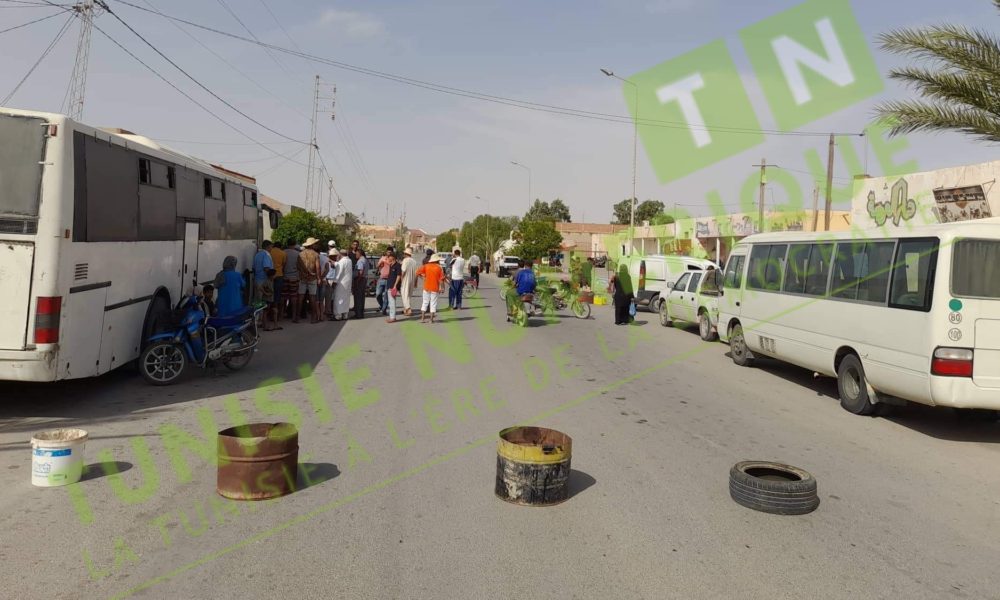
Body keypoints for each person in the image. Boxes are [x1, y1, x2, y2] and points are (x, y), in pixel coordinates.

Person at [296, 238, 322, 324]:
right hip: (312, 278)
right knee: (312, 298)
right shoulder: (315, 254)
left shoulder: (300, 254)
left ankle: (297, 317)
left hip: (303, 278)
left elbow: (298, 267)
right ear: (312, 245)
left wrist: (302, 274)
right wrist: (318, 278)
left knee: (300, 297)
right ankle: (313, 318)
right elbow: (317, 267)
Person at [415, 256, 445, 323]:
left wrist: (423, 278)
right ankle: (431, 320)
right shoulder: (439, 268)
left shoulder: (426, 266)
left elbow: (417, 272)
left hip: (426, 287)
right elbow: (442, 280)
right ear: (437, 261)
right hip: (435, 288)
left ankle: (422, 319)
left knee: (425, 302)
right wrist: (442, 288)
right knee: (433, 303)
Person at [333, 247, 353, 321]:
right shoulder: (349, 260)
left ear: (340, 254)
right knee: (346, 298)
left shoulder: (342, 262)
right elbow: (340, 265)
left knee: (338, 299)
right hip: (347, 283)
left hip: (341, 283)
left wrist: (334, 282)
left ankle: (338, 315)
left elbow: (339, 272)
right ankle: (345, 314)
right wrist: (334, 263)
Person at [269, 241, 286, 323]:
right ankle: (276, 316)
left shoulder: (270, 252)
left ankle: (269, 315)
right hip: (279, 275)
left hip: (270, 276)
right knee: (277, 295)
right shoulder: (283, 253)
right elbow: (284, 264)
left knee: (270, 294)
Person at [283, 239, 300, 320]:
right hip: (294, 278)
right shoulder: (297, 254)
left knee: (284, 297)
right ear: (294, 245)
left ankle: (281, 315)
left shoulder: (283, 252)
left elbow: (283, 264)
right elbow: (299, 265)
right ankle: (294, 316)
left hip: (285, 277)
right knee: (294, 297)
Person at [385, 252, 402, 323]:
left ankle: (392, 317)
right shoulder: (391, 265)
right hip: (389, 285)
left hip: (393, 286)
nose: (388, 258)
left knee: (392, 302)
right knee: (391, 302)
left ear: (393, 257)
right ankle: (392, 316)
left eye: (389, 257)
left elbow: (398, 276)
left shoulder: (397, 265)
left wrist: (395, 285)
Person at [400, 247, 417, 316]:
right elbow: (416, 273)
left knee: (404, 294)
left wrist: (401, 279)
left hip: (405, 279)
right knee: (409, 295)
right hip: (412, 279)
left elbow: (403, 271)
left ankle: (409, 309)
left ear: (406, 254)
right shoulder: (414, 261)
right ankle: (405, 309)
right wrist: (416, 282)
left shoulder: (405, 260)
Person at [353, 248, 368, 319]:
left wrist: (358, 280)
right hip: (363, 279)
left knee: (358, 298)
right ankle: (361, 314)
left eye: (356, 254)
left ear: (359, 254)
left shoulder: (360, 261)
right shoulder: (365, 260)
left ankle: (358, 314)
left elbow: (360, 271)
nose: (355, 255)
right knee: (361, 297)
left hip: (360, 280)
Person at [324, 247, 338, 320]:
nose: (335, 257)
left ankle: (331, 310)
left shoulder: (335, 262)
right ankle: (328, 311)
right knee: (328, 298)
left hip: (333, 280)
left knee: (332, 297)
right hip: (329, 280)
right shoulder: (328, 262)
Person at [375, 250, 390, 315]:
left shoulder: (392, 259)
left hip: (389, 279)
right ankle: (382, 306)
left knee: (386, 296)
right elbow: (377, 266)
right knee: (378, 294)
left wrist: (386, 261)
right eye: (388, 252)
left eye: (390, 252)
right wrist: (381, 262)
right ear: (386, 252)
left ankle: (384, 309)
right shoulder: (382, 258)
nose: (389, 253)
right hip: (381, 278)